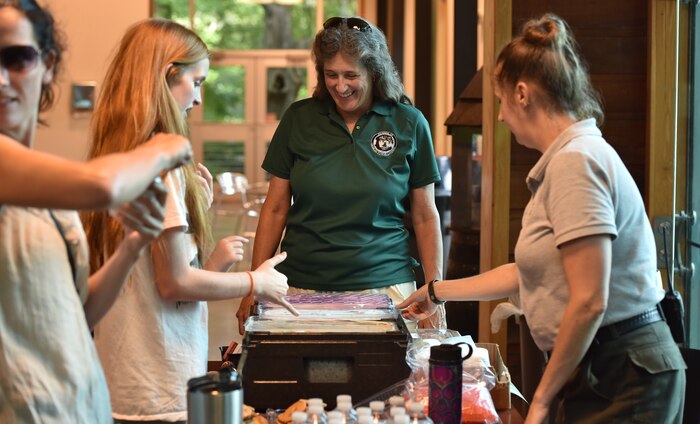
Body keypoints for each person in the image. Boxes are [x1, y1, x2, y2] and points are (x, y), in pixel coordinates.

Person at [398, 13, 686, 423]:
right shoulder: (566, 160)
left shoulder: (577, 162)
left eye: (499, 101)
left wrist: (543, 399)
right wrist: (437, 291)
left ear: (521, 94)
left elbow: (589, 300)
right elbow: (529, 271)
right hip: (606, 364)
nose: (498, 116)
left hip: (623, 370)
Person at [81, 19, 297, 424]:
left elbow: (158, 282)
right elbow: (174, 282)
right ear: (168, 76)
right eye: (196, 82)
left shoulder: (118, 159)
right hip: (158, 384)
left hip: (121, 378)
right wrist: (256, 281)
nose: (198, 98)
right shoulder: (162, 165)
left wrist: (206, 247)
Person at [0, 1, 194, 422]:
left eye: (15, 59)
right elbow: (102, 185)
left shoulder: (47, 187)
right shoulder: (69, 183)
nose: (0, 79)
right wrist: (164, 148)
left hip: (78, 407)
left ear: (47, 64)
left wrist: (132, 245)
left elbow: (79, 310)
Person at [236, 16, 444, 333]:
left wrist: (434, 293)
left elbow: (426, 215)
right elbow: (276, 207)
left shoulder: (409, 123)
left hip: (386, 287)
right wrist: (254, 284)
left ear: (374, 74)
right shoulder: (299, 118)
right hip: (300, 289)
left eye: (351, 75)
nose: (340, 86)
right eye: (331, 75)